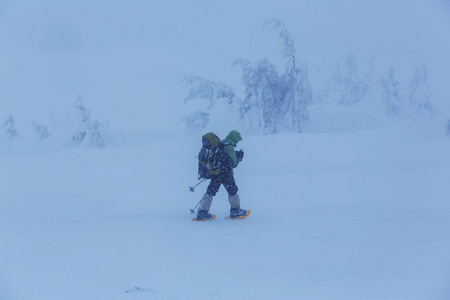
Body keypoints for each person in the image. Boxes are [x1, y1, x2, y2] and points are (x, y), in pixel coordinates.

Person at [196, 130, 247, 220]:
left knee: (210, 191)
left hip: (216, 173)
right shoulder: (229, 147)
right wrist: (239, 157)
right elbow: (233, 164)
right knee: (232, 191)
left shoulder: (221, 144)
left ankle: (202, 212)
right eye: (237, 140)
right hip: (226, 174)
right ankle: (235, 210)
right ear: (234, 139)